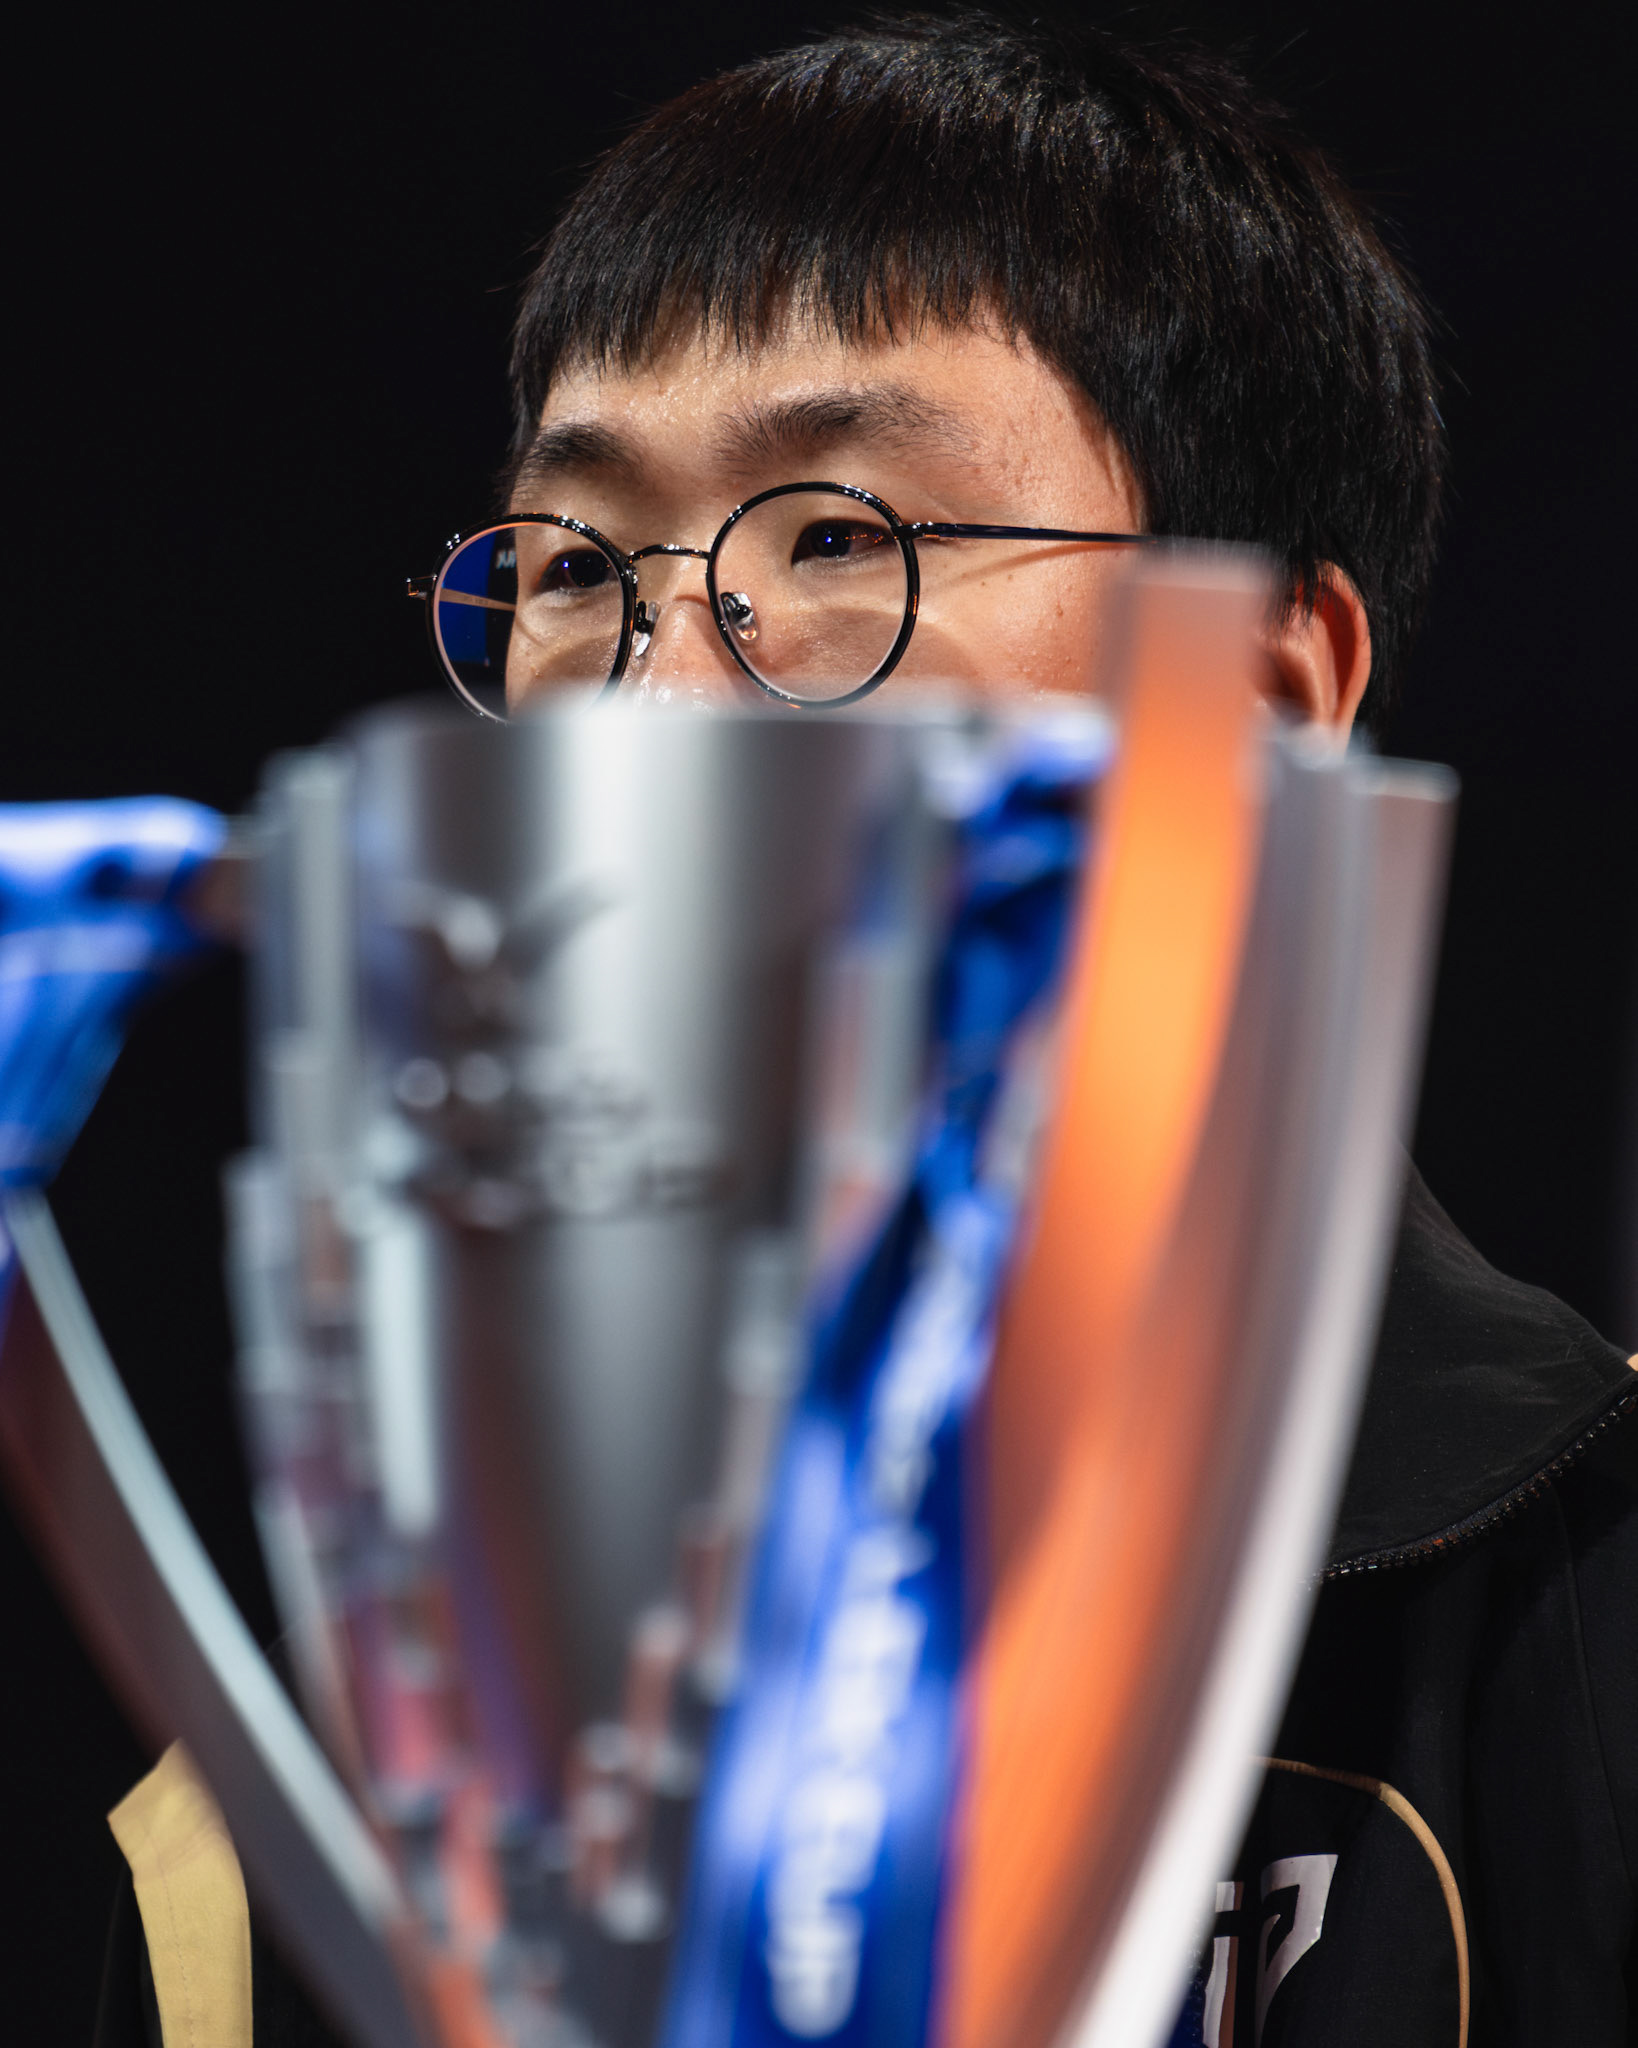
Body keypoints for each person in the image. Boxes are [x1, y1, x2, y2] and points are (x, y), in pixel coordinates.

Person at [101, 12, 1636, 2045]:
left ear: (1265, 698)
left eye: (837, 540)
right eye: (572, 570)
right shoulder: (300, 1799)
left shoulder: (1580, 1619)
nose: (652, 708)